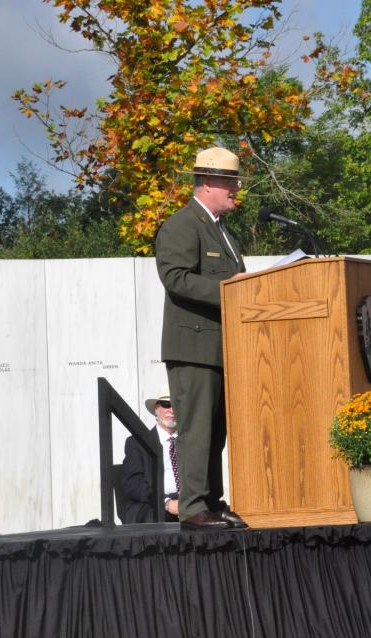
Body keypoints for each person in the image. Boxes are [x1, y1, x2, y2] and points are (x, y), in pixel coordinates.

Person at [155, 147, 247, 530]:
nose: (235, 189)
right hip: (193, 348)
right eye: (229, 181)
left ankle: (212, 500)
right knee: (197, 430)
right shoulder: (183, 224)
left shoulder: (224, 232)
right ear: (207, 182)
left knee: (216, 431)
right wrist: (230, 286)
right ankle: (193, 508)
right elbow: (174, 277)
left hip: (222, 348)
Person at [119, 389, 180, 523]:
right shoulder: (137, 443)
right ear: (156, 409)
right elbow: (132, 484)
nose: (172, 410)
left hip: (187, 503)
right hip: (151, 503)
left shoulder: (191, 443)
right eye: (166, 404)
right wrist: (166, 502)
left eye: (177, 404)